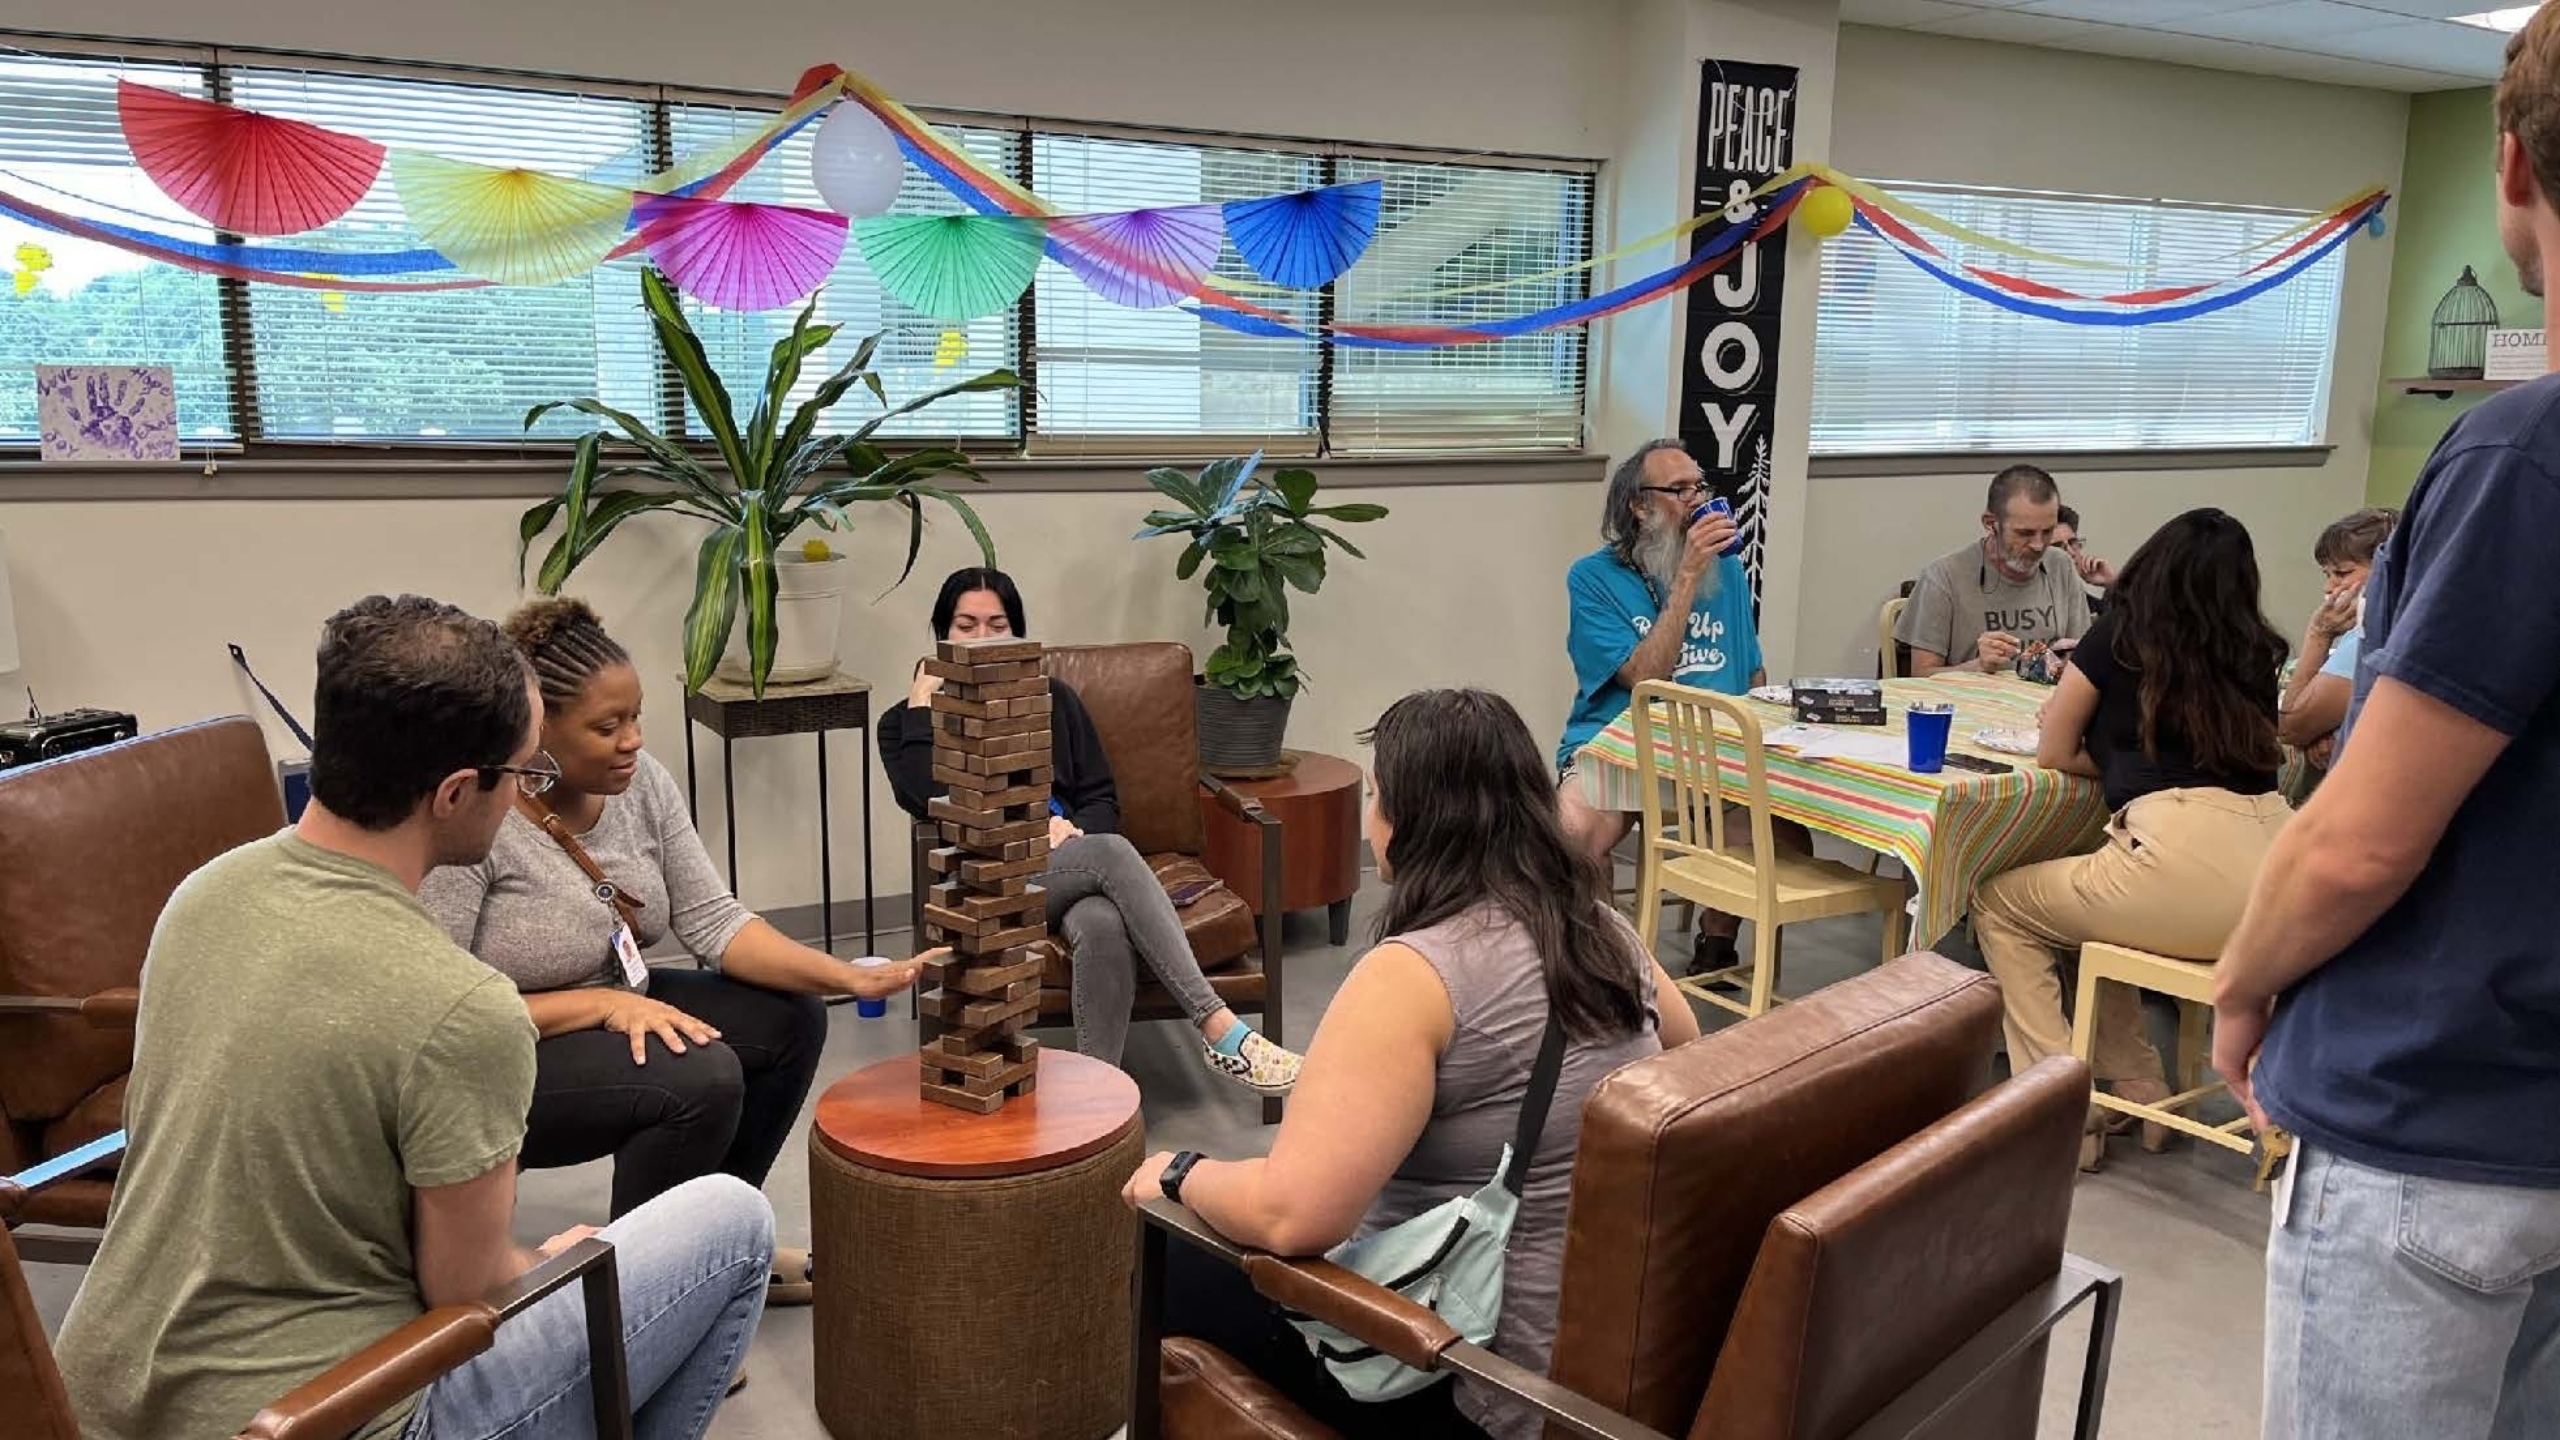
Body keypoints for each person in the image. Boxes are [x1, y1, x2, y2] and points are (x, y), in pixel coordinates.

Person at [53, 596, 772, 1440]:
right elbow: (469, 1297)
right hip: (336, 1412)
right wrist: (553, 1261)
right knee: (732, 1223)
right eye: (521, 776)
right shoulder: (462, 1008)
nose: (523, 797)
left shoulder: (203, 897)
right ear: (458, 791)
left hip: (103, 1394)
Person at [2215, 19, 2560, 1434]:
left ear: (2514, 162)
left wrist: (2240, 983)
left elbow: (2357, 842)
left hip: (2440, 1133)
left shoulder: (2518, 455)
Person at [1120, 688, 1699, 1440]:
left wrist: (1175, 1172)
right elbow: (1688, 1060)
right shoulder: (1605, 934)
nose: (1371, 818)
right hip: (1590, 1366)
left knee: (1167, 1241)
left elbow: (1291, 1215)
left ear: (1409, 821)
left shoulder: (1414, 974)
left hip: (1465, 1374)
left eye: (1374, 797)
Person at [420, 598, 925, 1306]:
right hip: (504, 1050)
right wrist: (600, 1004)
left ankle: (716, 1249)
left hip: (614, 1005)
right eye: (606, 726)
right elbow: (438, 1012)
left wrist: (849, 978)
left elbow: (714, 920)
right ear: (536, 730)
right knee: (701, 1074)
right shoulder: (481, 818)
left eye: (635, 717)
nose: (631, 740)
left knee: (792, 1021)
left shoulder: (642, 783)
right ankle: (651, 1296)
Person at [877, 567, 1300, 1094]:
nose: (983, 639)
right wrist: (923, 711)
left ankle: (1101, 1098)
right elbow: (922, 797)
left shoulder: (1055, 699)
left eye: (997, 625)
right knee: (1112, 857)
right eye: (966, 626)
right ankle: (1219, 1026)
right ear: (941, 635)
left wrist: (1074, 831)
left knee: (1101, 921)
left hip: (1065, 865)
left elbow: (1102, 797)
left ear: (1019, 634)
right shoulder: (903, 723)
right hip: (984, 887)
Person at [1968, 509, 2291, 1173]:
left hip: (2174, 852)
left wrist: (2117, 763)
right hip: (2275, 870)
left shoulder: (2119, 635)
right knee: (2097, 909)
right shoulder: (2258, 650)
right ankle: (2141, 1082)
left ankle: (2059, 1102)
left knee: (2000, 902)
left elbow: (2055, 751)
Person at [1555, 438, 1790, 976]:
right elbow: (1643, 677)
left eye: (1699, 487)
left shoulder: (1728, 571)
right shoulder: (1592, 578)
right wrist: (1685, 578)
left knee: (1773, 828)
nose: (1695, 499)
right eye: (1679, 490)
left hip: (1714, 755)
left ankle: (1716, 941)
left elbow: (1751, 671)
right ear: (1640, 506)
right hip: (1617, 744)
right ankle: (1610, 967)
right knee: (1574, 833)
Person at [1897, 464, 2093, 676]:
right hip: (1972, 702)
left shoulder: (2061, 565)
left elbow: (2083, 662)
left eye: (2047, 531)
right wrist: (1977, 666)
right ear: (1991, 523)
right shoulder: (1944, 577)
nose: (2038, 545)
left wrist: (2066, 660)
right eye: (2024, 533)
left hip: (2046, 703)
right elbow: (1920, 677)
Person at [2275, 506, 2398, 774]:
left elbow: (2290, 727)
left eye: (2342, 574)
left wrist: (2319, 633)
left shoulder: (2368, 636)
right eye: (2326, 574)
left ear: (2385, 570)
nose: (2328, 588)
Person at [2052, 503, 2114, 616]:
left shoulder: (2092, 608)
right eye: (2057, 546)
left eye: (2072, 543)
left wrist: (2111, 584)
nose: (2070, 553)